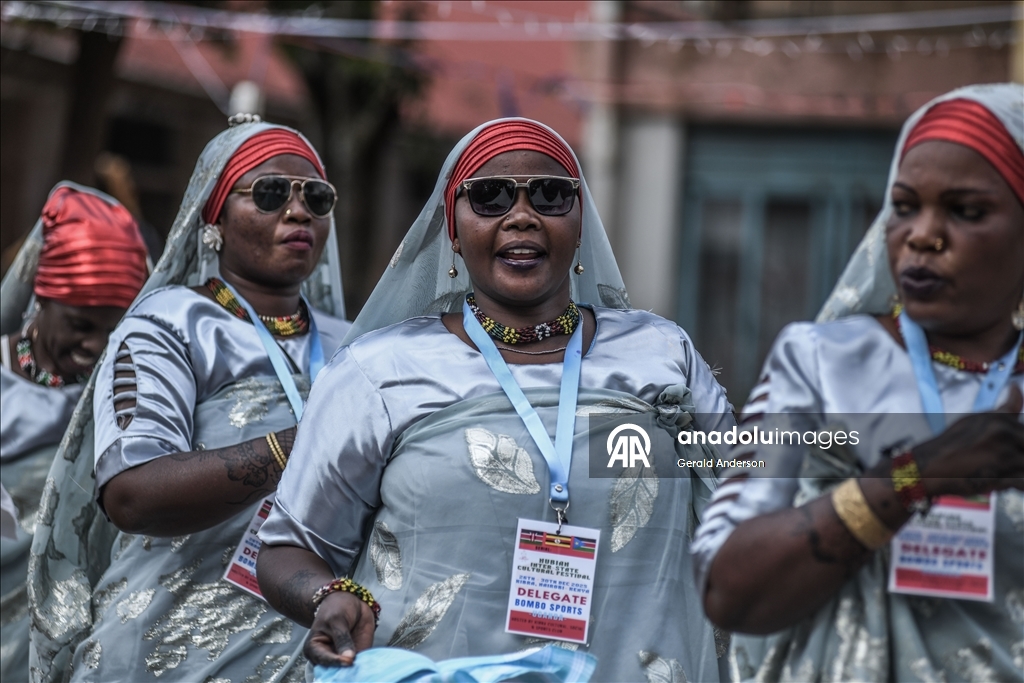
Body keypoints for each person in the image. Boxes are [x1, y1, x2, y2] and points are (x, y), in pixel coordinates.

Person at [256, 118, 734, 682]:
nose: (522, 215)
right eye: (490, 196)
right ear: (454, 231)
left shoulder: (659, 352)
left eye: (551, 195)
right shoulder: (379, 371)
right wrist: (329, 597)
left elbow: (748, 495)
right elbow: (287, 549)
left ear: (580, 223)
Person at [691, 83, 1024, 682]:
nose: (922, 235)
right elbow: (727, 588)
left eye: (966, 211)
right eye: (904, 206)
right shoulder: (821, 363)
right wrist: (914, 476)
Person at [27, 115, 350, 683]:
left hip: (313, 646)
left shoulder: (354, 345)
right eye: (271, 193)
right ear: (214, 217)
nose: (298, 211)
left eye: (316, 198)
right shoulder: (170, 324)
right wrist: (298, 446)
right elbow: (133, 493)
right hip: (167, 647)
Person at [0, 184, 147, 683]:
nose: (97, 346)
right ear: (41, 297)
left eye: (115, 330)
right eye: (81, 324)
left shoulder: (130, 399)